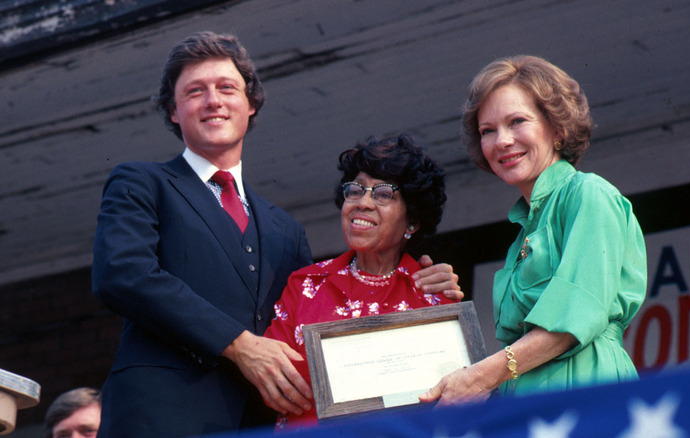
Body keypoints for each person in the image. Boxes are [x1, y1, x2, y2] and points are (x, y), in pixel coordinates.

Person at [91, 31, 462, 438]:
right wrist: (238, 343)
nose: (213, 100)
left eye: (226, 88)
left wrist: (418, 279)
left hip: (258, 423)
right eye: (195, 91)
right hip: (161, 417)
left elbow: (319, 325)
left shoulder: (286, 230)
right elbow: (123, 274)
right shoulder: (141, 182)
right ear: (173, 110)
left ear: (250, 104)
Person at [420, 55, 647, 405]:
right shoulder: (527, 224)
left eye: (517, 122)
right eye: (488, 131)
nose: (502, 141)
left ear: (557, 128)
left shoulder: (588, 194)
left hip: (586, 393)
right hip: (525, 402)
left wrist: (478, 378)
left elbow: (571, 322)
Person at [264, 134, 458, 429]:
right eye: (355, 191)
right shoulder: (305, 285)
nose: (362, 203)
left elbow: (451, 400)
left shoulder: (433, 296)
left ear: (412, 222)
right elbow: (273, 383)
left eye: (383, 194)